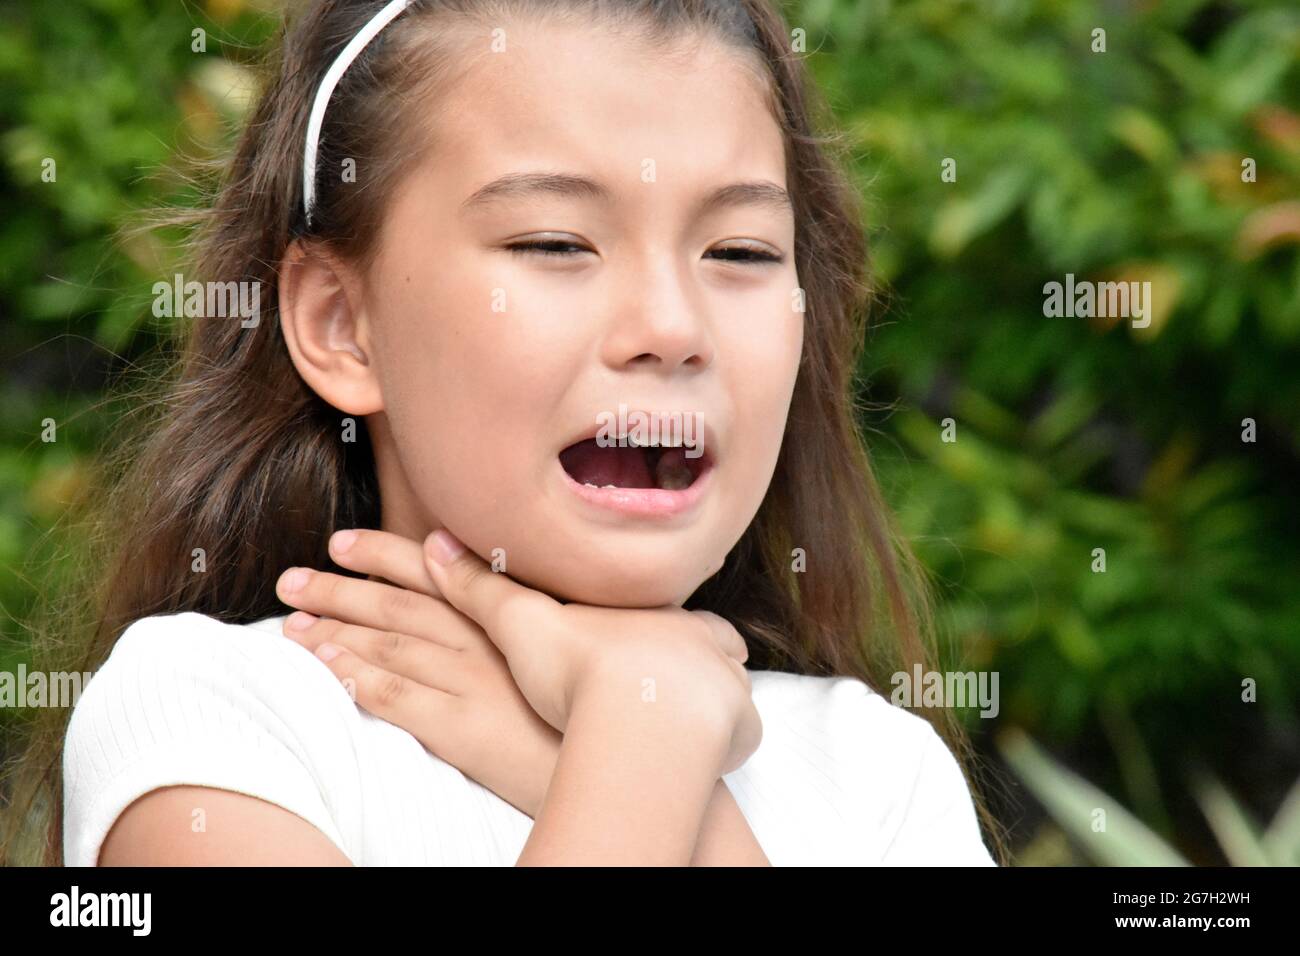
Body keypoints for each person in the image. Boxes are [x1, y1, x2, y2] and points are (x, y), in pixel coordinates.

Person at [12, 0, 1005, 866]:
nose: (671, 326)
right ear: (340, 325)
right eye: (555, 243)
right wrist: (648, 734)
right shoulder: (217, 718)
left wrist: (627, 730)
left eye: (739, 249)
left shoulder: (878, 773)